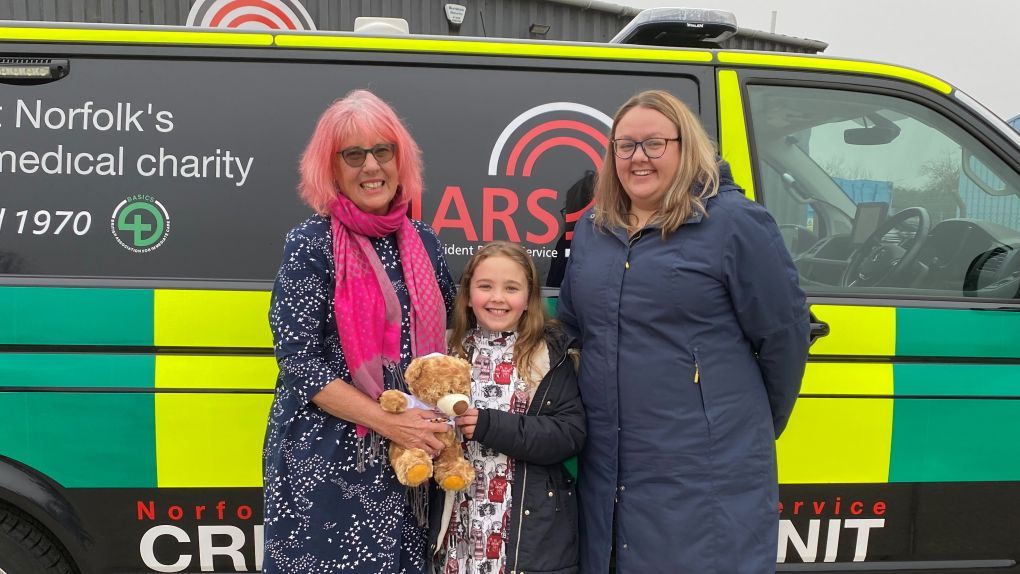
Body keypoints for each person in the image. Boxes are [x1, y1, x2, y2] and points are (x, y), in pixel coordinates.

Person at [557, 90, 810, 573]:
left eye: (654, 144)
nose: (638, 158)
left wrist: (740, 430)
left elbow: (784, 337)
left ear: (685, 146)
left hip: (702, 468)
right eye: (625, 146)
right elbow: (572, 323)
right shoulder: (595, 225)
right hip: (608, 464)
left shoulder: (735, 224)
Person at [263, 89, 457, 574]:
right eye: (353, 154)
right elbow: (299, 362)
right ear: (331, 168)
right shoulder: (310, 244)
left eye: (382, 151)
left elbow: (451, 334)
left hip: (412, 453)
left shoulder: (424, 241)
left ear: (400, 160)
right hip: (332, 454)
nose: (371, 166)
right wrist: (388, 421)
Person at [429, 241, 586, 574]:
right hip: (460, 524)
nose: (497, 298)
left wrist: (489, 425)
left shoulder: (549, 356)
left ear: (528, 300)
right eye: (485, 286)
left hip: (525, 532)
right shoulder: (445, 351)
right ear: (468, 295)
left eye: (511, 288)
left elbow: (569, 434)